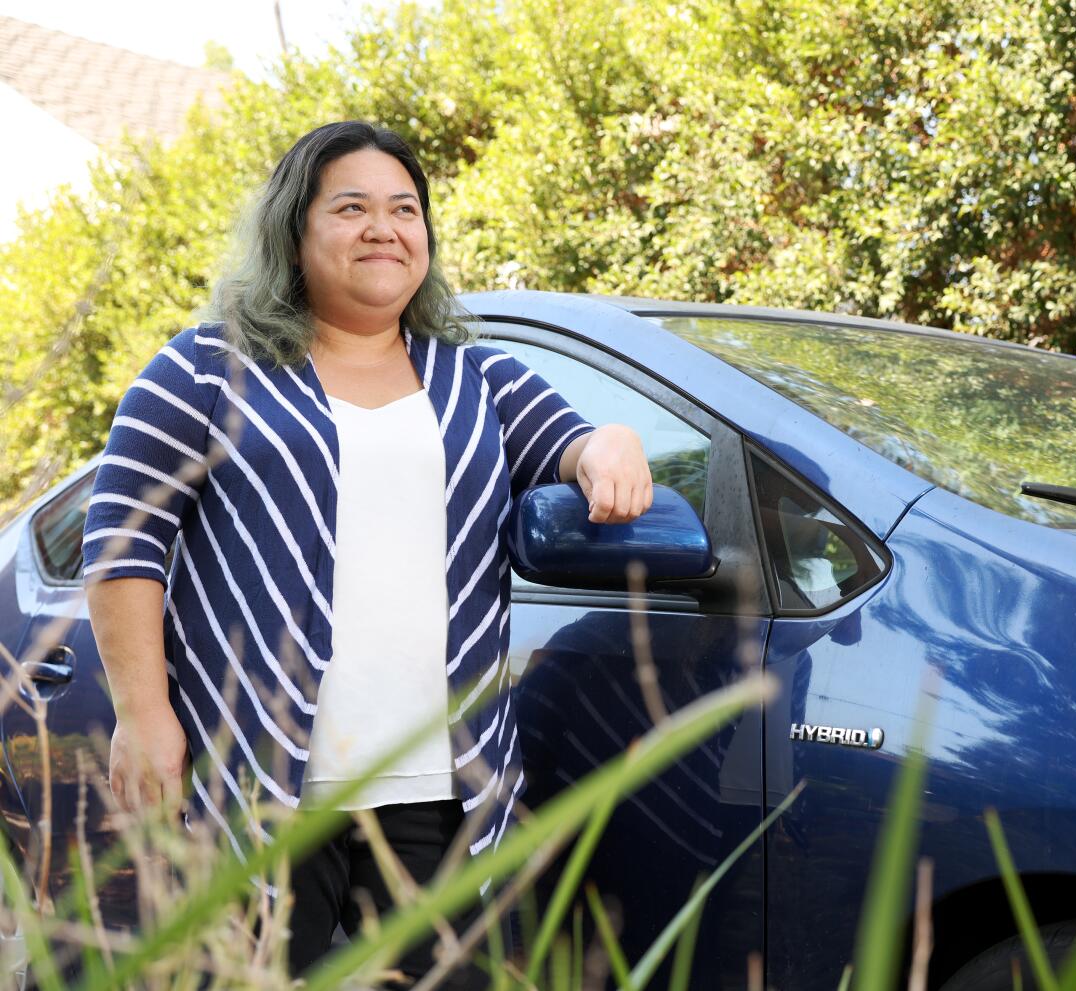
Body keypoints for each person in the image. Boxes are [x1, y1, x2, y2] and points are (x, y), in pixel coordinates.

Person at [79, 120, 653, 984]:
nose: (385, 227)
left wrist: (612, 441)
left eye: (405, 208)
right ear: (294, 232)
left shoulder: (478, 377)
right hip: (259, 784)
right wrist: (144, 711)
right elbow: (125, 539)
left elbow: (577, 443)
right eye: (352, 207)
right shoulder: (204, 369)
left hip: (440, 787)